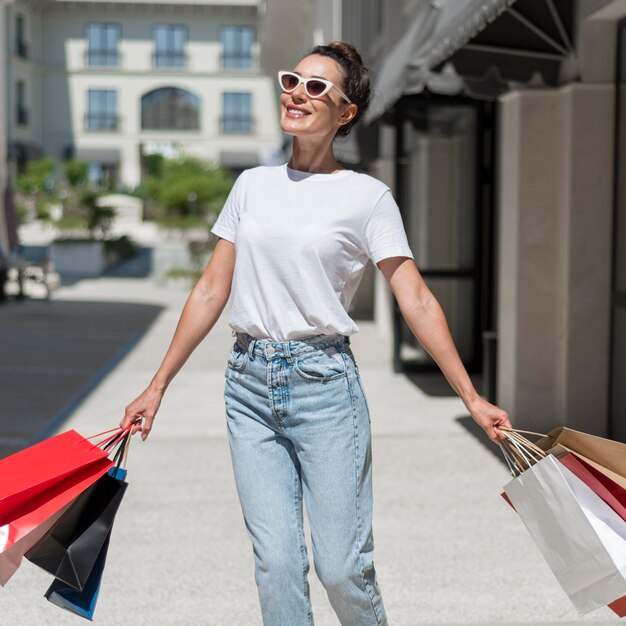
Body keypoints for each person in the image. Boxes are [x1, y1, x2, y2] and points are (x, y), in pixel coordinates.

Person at [121, 41, 512, 626]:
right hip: (248, 386)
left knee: (341, 568)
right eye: (292, 81)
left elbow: (416, 298)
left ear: (345, 111)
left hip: (324, 388)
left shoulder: (366, 197)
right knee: (276, 564)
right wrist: (157, 387)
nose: (297, 94)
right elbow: (209, 290)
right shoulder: (251, 184)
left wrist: (471, 397)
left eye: (315, 87)